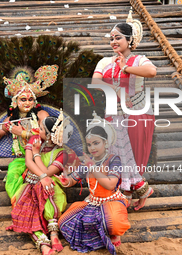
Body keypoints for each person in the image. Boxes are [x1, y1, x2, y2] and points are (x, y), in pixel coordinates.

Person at [92, 10, 157, 210]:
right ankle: (130, 193)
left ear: (129, 40)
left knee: (134, 156)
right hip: (113, 113)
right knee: (116, 154)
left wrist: (125, 68)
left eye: (118, 37)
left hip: (137, 113)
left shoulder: (139, 60)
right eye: (111, 38)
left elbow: (152, 72)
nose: (113, 41)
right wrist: (114, 90)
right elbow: (95, 82)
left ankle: (131, 194)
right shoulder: (104, 61)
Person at [57, 112, 130, 255]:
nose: (92, 148)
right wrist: (66, 181)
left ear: (106, 143)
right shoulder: (88, 161)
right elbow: (73, 179)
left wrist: (92, 167)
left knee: (113, 222)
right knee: (63, 222)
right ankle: (102, 233)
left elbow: (110, 184)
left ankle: (112, 232)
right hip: (92, 203)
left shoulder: (114, 159)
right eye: (89, 144)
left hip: (112, 201)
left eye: (96, 143)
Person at [6, 114, 67, 255]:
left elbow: (47, 172)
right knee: (29, 210)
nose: (37, 130)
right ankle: (44, 245)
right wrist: (42, 177)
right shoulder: (35, 139)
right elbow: (28, 162)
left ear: (51, 135)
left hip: (49, 184)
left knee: (48, 190)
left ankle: (53, 235)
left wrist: (36, 153)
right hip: (31, 184)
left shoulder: (63, 153)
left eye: (40, 129)